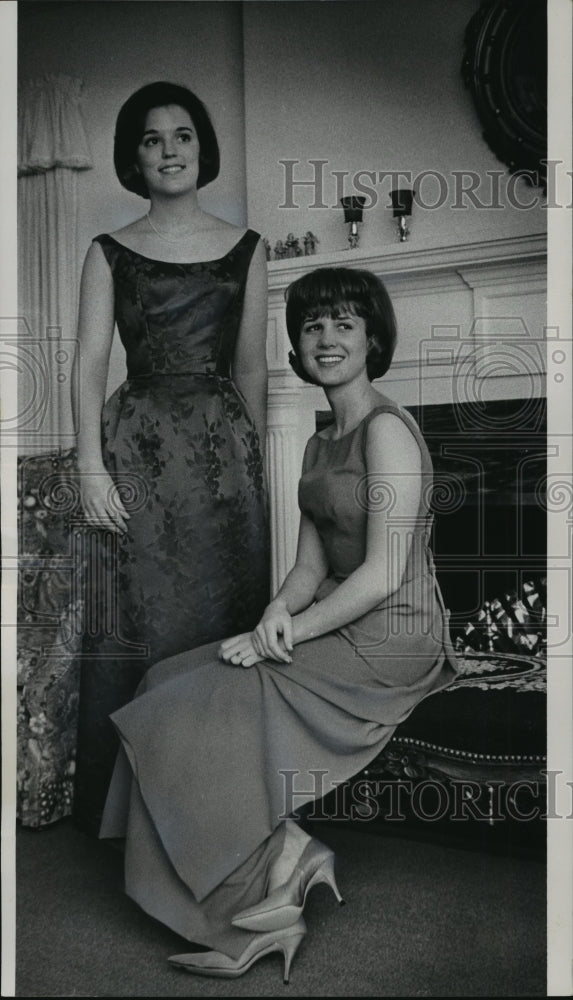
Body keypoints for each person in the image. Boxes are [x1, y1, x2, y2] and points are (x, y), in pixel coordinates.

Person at [99, 266, 458, 981]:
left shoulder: (386, 432)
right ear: (296, 341)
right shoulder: (322, 441)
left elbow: (383, 575)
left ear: (373, 338)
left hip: (393, 636)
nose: (324, 339)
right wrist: (274, 611)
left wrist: (286, 634)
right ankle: (285, 862)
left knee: (216, 696)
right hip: (340, 620)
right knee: (163, 677)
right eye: (311, 325)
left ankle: (252, 907)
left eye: (343, 325)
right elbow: (305, 569)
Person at [72, 81, 270, 836]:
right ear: (134, 157)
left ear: (202, 147)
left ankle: (224, 812)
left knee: (225, 628)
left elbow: (250, 368)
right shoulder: (108, 251)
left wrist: (246, 462)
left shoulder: (247, 249)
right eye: (152, 140)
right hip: (137, 454)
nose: (169, 150)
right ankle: (137, 822)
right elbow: (89, 364)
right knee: (141, 625)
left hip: (225, 461)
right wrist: (89, 466)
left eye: (181, 135)